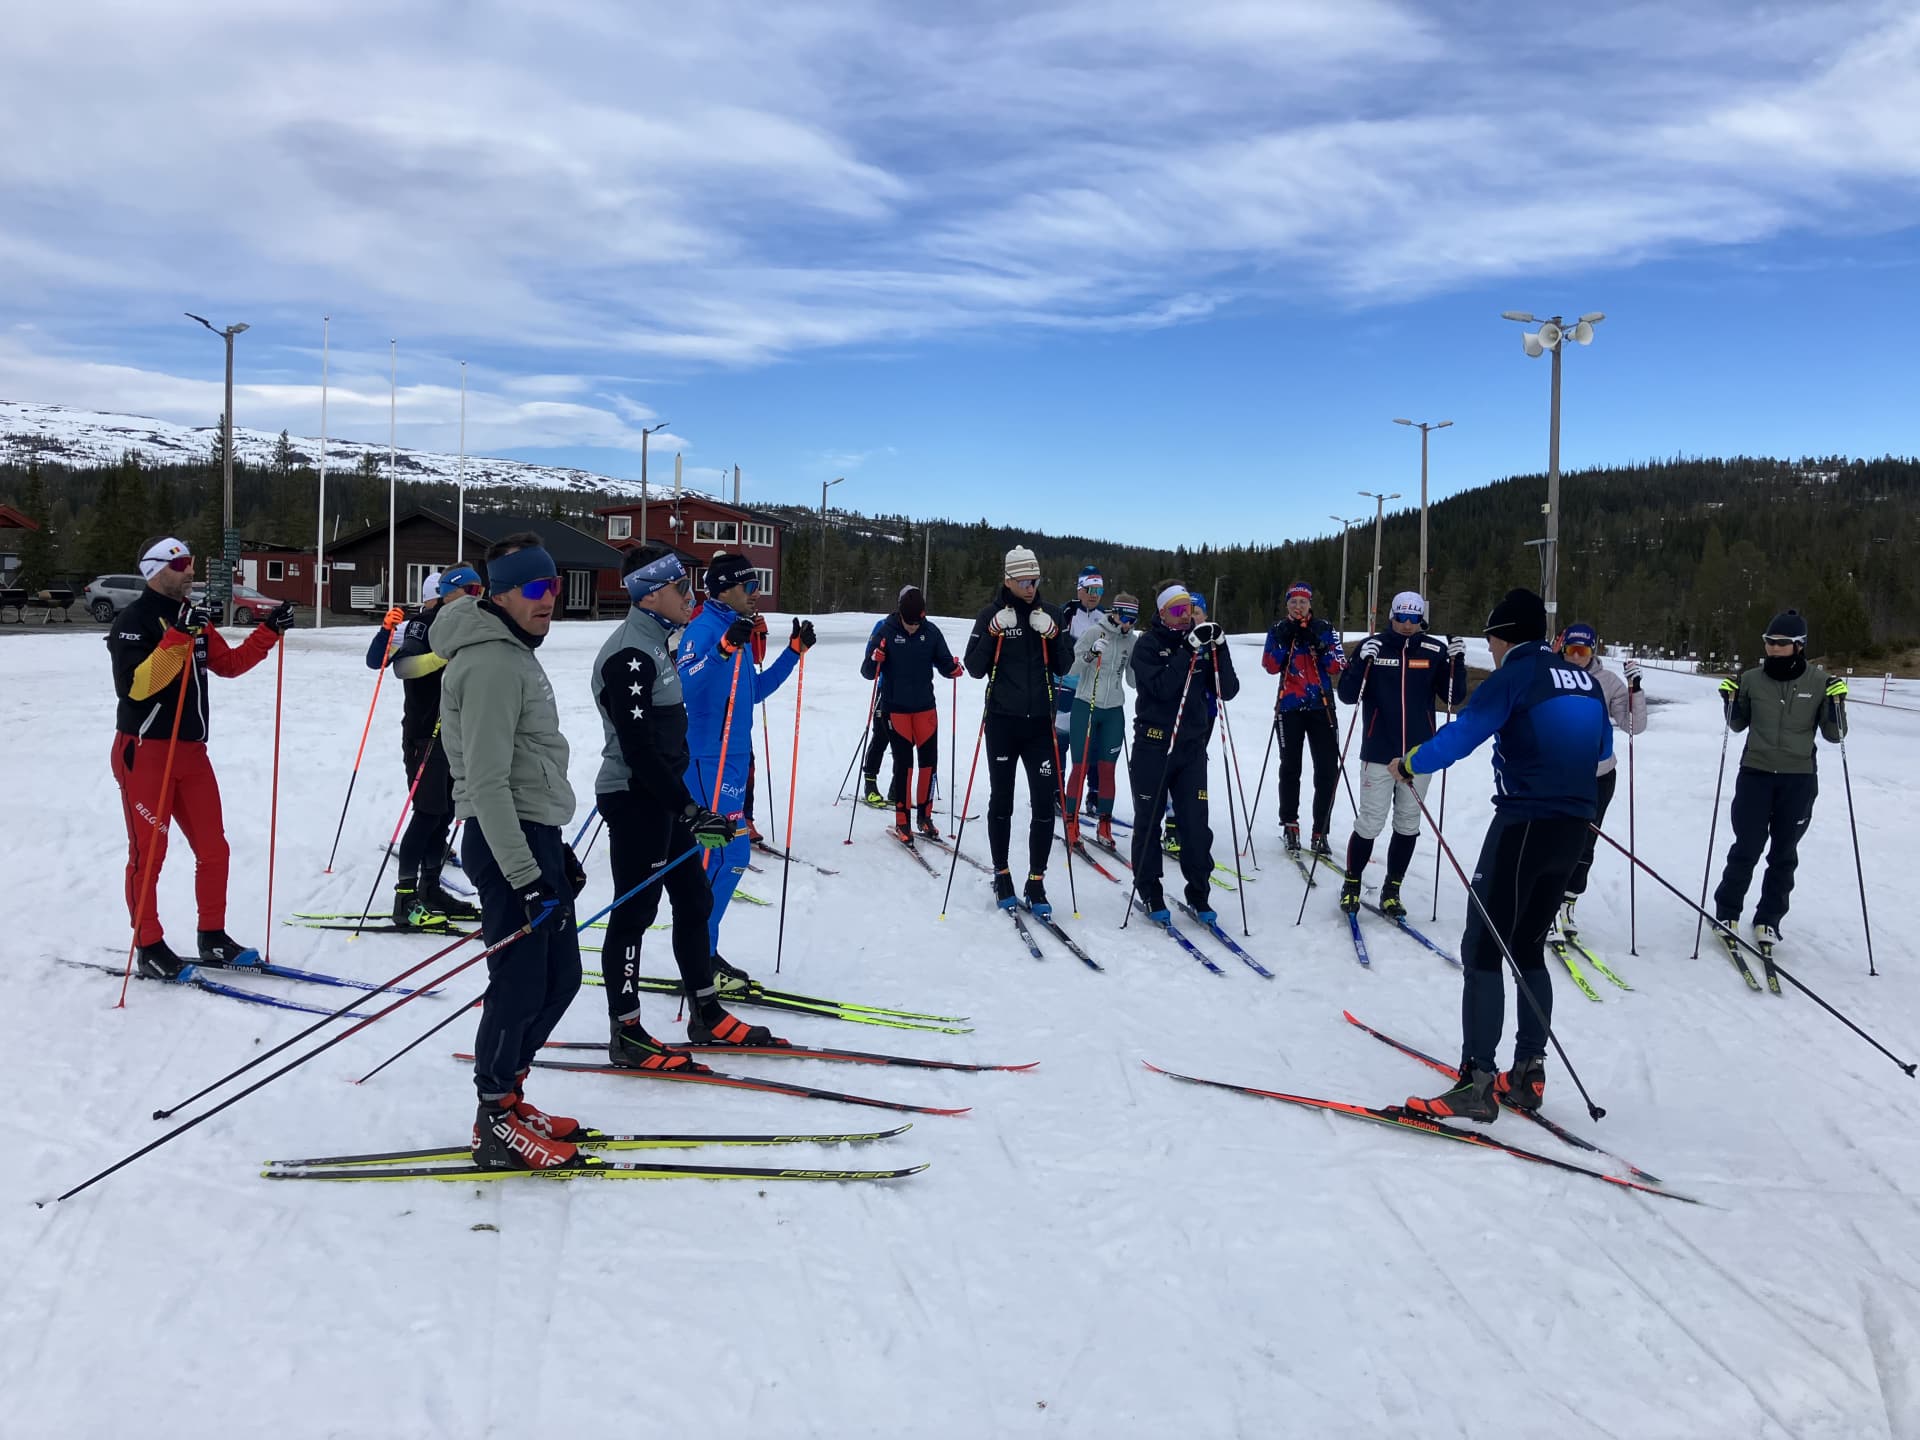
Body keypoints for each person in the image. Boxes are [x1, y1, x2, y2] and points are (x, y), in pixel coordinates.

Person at [1394, 589, 1611, 1123]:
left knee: (1483, 947)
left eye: (1490, 638)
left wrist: (1411, 760)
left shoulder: (1514, 675)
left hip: (1523, 825)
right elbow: (1603, 758)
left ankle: (1478, 1080)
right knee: (1529, 946)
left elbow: (1464, 734)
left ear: (1502, 635)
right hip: (1572, 826)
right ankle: (1528, 1073)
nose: (1488, 648)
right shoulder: (1583, 679)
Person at [432, 533, 587, 1169]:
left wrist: (553, 849)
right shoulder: (493, 662)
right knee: (519, 985)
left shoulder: (513, 649)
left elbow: (526, 766)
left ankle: (511, 1095)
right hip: (506, 843)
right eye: (533, 588)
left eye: (552, 586)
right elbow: (488, 782)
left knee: (561, 977)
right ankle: (493, 1116)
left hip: (531, 834)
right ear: (499, 594)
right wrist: (526, 874)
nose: (548, 598)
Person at [593, 545, 778, 1067]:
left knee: (694, 900)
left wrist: (684, 805)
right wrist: (690, 807)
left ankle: (705, 1011)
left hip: (666, 799)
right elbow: (639, 751)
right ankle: (626, 1030)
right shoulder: (630, 653)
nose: (690, 596)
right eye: (679, 587)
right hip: (636, 799)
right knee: (634, 916)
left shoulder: (659, 642)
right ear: (650, 593)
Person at [108, 536, 294, 978]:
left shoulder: (192, 619)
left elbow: (228, 664)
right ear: (155, 571)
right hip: (147, 752)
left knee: (214, 850)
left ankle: (212, 937)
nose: (191, 572)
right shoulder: (133, 621)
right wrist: (177, 637)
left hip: (191, 754)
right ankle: (148, 944)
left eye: (191, 564)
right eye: (182, 565)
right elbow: (137, 687)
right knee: (148, 854)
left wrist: (270, 629)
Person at [678, 552, 816, 962]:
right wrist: (721, 650)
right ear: (724, 588)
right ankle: (701, 954)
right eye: (750, 587)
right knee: (723, 855)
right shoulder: (703, 628)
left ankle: (704, 950)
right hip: (707, 758)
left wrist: (793, 652)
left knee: (725, 856)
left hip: (734, 756)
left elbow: (751, 692)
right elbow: (687, 686)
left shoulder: (735, 629)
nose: (757, 594)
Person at [1711, 609, 1847, 946]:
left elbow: (1835, 735)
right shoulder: (1751, 679)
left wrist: (1837, 704)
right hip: (1755, 774)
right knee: (1746, 847)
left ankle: (1769, 919)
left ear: (1798, 646)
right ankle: (1727, 911)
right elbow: (1737, 724)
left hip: (1798, 779)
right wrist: (1729, 701)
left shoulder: (1820, 682)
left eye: (1781, 643)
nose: (1773, 648)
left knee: (1784, 853)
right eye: (1769, 642)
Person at [363, 564, 485, 928]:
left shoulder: (468, 623)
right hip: (425, 732)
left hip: (455, 733)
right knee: (428, 813)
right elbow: (403, 667)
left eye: (481, 591)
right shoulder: (426, 622)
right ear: (450, 592)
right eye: (472, 591)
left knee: (446, 813)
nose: (478, 598)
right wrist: (444, 656)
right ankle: (405, 898)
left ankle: (431, 888)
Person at [1334, 592, 1465, 917]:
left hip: (1419, 754)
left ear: (1422, 620)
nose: (1407, 625)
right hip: (1379, 750)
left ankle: (1392, 889)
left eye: (1414, 619)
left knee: (1408, 824)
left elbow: (1453, 697)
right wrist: (1360, 660)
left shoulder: (1434, 650)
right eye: (1401, 618)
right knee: (1370, 823)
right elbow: (1348, 696)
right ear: (1391, 616)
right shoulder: (1375, 647)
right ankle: (1352, 882)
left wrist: (1457, 663)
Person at [963, 545, 1074, 915]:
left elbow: (1064, 664)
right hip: (1002, 722)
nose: (1030, 587)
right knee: (1002, 801)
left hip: (1041, 725)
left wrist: (1055, 634)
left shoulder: (1051, 614)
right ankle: (1003, 873)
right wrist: (993, 633)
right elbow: (975, 667)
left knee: (1044, 804)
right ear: (1007, 580)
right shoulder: (990, 615)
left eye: (1035, 580)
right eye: (1024, 581)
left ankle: (1037, 880)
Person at [1129, 583, 1238, 922]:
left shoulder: (1200, 643)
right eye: (1176, 611)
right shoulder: (1147, 645)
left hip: (1191, 747)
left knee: (1195, 825)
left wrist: (1219, 648)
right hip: (1154, 744)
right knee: (1149, 821)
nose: (1185, 617)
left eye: (1188, 609)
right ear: (1161, 613)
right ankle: (1150, 891)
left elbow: (1227, 690)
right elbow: (1160, 689)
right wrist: (1186, 652)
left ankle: (1199, 894)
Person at [1554, 622, 1647, 938]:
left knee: (1585, 843)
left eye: (1583, 651)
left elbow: (1633, 725)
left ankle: (1568, 904)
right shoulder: (1550, 676)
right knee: (1553, 840)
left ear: (1593, 651)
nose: (1577, 657)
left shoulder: (1608, 682)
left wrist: (1635, 689)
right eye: (1571, 650)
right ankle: (1547, 903)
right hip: (1558, 775)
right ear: (1563, 648)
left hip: (1599, 775)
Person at [861, 584, 966, 844]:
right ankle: (902, 821)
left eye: (916, 624)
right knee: (904, 767)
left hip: (925, 710)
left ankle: (925, 817)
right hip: (896, 710)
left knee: (928, 766)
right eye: (908, 624)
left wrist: (952, 668)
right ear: (900, 615)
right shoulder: (886, 631)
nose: (912, 629)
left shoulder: (930, 632)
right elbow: (866, 671)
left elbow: (943, 663)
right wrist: (876, 659)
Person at [1262, 582, 1346, 859]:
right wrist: (1285, 642)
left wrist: (1318, 644)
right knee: (1290, 767)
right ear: (1287, 604)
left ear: (1310, 604)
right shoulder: (1277, 629)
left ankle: (1321, 831)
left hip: (1321, 706)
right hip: (1290, 707)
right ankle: (1290, 825)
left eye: (1303, 602)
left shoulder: (1325, 628)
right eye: (1293, 602)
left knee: (1326, 770)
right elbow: (1270, 666)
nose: (1298, 606)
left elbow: (1337, 665)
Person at [1064, 592, 1139, 849]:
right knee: (1081, 766)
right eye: (1126, 617)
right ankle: (1071, 822)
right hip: (1086, 704)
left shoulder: (1132, 641)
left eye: (1134, 619)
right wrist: (1090, 655)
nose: (1129, 623)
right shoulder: (1094, 633)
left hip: (1113, 710)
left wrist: (1145, 667)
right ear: (1115, 612)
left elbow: (1131, 680)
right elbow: (1070, 669)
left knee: (1107, 769)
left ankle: (1104, 823)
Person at [1054, 564, 1107, 754]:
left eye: (1099, 590)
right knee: (1059, 741)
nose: (1094, 594)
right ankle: (1056, 783)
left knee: (1088, 746)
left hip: (1090, 689)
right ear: (1079, 589)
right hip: (1064, 685)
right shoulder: (1066, 612)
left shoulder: (1105, 617)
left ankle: (1091, 784)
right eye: (1089, 589)